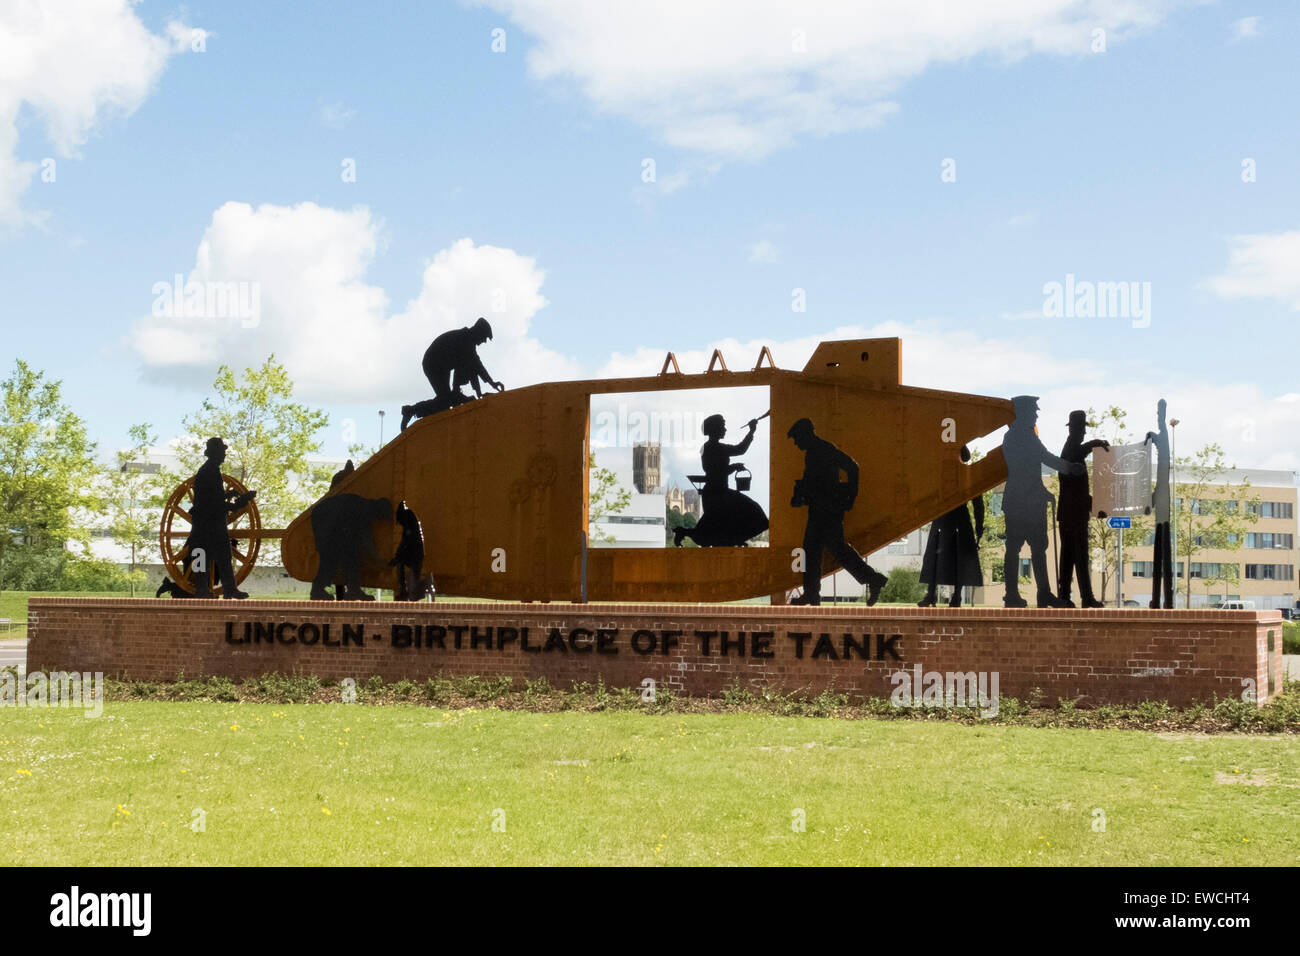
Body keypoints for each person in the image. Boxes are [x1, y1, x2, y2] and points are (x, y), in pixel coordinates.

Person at [786, 418, 887, 606]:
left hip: (828, 510)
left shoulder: (824, 449)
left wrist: (849, 497)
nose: (797, 444)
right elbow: (814, 481)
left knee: (831, 549)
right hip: (820, 508)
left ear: (806, 434)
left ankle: (872, 579)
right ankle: (812, 594)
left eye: (797, 439)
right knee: (816, 549)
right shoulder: (813, 452)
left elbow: (852, 467)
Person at [1000, 396, 1085, 608]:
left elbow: (1028, 470)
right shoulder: (1024, 435)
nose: (1036, 414)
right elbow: (1045, 458)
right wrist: (1071, 468)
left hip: (1020, 500)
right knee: (1031, 549)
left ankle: (1020, 594)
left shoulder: (1012, 435)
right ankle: (1038, 594)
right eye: (1033, 411)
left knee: (1021, 548)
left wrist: (1044, 492)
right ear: (1024, 412)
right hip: (1026, 504)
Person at [673, 414, 768, 547]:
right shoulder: (716, 448)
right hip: (719, 495)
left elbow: (715, 471)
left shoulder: (707, 447)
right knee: (755, 515)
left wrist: (732, 467)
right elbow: (739, 450)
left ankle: (685, 532)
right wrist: (751, 431)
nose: (725, 429)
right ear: (715, 429)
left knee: (716, 529)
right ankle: (734, 539)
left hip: (714, 494)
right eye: (723, 426)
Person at [401, 317, 504, 430]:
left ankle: (413, 411)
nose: (484, 341)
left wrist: (491, 384)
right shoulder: (465, 341)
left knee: (446, 400)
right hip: (433, 364)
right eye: (484, 338)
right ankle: (410, 411)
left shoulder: (467, 341)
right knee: (446, 400)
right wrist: (460, 394)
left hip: (443, 367)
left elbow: (475, 366)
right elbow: (473, 368)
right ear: (478, 332)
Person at [918, 445, 984, 608]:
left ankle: (943, 596)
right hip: (950, 519)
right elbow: (978, 504)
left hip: (952, 519)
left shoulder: (963, 474)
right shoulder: (953, 474)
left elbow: (978, 503)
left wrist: (979, 525)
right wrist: (979, 525)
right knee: (942, 557)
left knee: (952, 558)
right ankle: (935, 595)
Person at [189, 437, 255, 599]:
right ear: (215, 453)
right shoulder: (210, 471)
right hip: (209, 524)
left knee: (214, 556)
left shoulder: (208, 470)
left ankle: (214, 589)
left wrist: (229, 496)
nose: (224, 455)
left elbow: (213, 498)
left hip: (206, 523)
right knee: (216, 556)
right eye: (222, 451)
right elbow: (214, 502)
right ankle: (213, 589)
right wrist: (239, 503)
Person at [1057, 411, 1110, 608]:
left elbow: (1078, 491)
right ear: (1074, 429)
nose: (1084, 432)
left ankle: (1065, 596)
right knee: (1078, 557)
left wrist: (1096, 506)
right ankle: (1085, 598)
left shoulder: (1072, 448)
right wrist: (1095, 443)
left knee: (1070, 557)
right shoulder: (1072, 449)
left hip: (1071, 514)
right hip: (1073, 516)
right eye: (1081, 428)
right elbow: (1077, 457)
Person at [1144, 399, 1174, 609]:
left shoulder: (1164, 441)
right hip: (1161, 512)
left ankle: (1165, 600)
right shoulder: (1162, 451)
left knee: (1162, 561)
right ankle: (1159, 599)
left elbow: (1161, 428)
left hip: (1163, 513)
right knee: (1160, 561)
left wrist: (1161, 414)